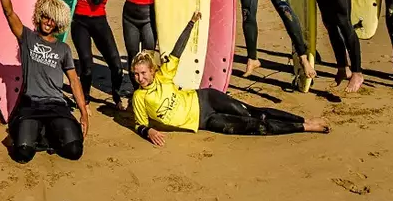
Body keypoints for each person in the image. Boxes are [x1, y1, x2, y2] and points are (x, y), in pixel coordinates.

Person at [132, 11, 329, 145]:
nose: (140, 78)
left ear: (153, 70)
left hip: (206, 98)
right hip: (204, 121)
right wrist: (148, 132)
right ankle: (303, 127)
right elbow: (139, 124)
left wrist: (191, 23)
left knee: (253, 112)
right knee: (254, 126)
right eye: (136, 74)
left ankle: (304, 120)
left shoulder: (164, 75)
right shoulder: (139, 98)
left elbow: (178, 49)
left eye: (143, 73)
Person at [0, 0, 89, 163]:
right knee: (22, 154)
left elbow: (74, 81)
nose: (49, 22)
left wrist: (83, 112)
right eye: (46, 17)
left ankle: (47, 131)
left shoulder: (63, 48)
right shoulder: (27, 37)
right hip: (31, 104)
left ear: (58, 23)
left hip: (56, 105)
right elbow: (9, 13)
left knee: (74, 150)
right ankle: (37, 132)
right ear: (40, 17)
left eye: (53, 20)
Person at [71, 0, 127, 111]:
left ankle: (116, 95)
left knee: (117, 66)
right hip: (79, 22)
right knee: (86, 67)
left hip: (99, 21)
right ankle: (85, 100)